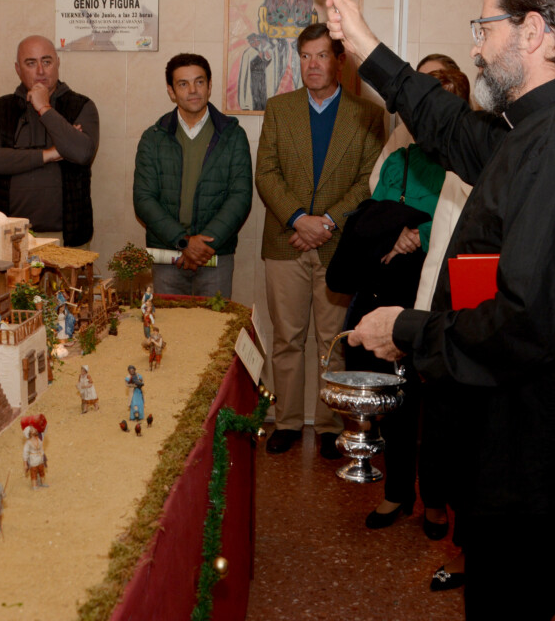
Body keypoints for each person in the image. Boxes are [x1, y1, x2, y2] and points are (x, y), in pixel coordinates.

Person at [329, 0, 555, 620]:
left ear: (533, 33)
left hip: (534, 459)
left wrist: (405, 330)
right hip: (510, 446)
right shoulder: (540, 129)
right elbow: (448, 128)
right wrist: (363, 46)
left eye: (485, 30)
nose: (476, 50)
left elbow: (528, 322)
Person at [346, 57, 472, 542]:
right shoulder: (401, 141)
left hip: (441, 286)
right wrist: (394, 229)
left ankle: (435, 501)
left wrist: (415, 231)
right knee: (398, 393)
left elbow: (465, 211)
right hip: (396, 281)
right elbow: (378, 190)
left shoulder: (467, 143)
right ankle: (397, 491)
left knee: (438, 402)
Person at [254, 23, 385, 459]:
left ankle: (329, 425)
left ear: (339, 61)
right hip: (285, 241)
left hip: (338, 246)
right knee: (287, 339)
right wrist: (298, 219)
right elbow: (266, 172)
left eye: (322, 56)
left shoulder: (367, 114)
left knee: (334, 341)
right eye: (306, 56)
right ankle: (288, 422)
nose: (313, 65)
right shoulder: (279, 108)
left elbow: (370, 180)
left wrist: (326, 222)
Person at [133, 53, 253, 299]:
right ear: (171, 91)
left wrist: (203, 245)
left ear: (209, 86)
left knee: (215, 333)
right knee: (167, 332)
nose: (193, 90)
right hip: (168, 255)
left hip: (215, 254)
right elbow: (144, 199)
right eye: (183, 84)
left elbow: (240, 197)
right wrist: (184, 242)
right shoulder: (153, 137)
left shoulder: (232, 135)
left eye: (199, 82)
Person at [0, 35, 99, 246]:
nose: (41, 71)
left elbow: (82, 153)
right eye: (31, 63)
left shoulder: (81, 106)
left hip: (68, 237)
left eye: (47, 61)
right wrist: (49, 154)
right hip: (9, 236)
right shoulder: (1, 108)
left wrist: (44, 108)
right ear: (18, 68)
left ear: (57, 63)